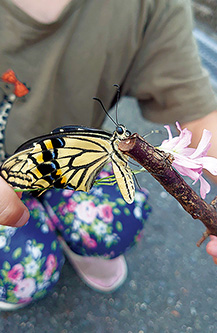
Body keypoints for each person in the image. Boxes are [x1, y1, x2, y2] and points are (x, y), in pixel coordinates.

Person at [0, 0, 217, 310]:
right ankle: (53, 232)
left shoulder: (148, 8)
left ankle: (71, 233)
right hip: (9, 173)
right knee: (23, 274)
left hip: (74, 176)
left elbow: (199, 114)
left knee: (122, 217)